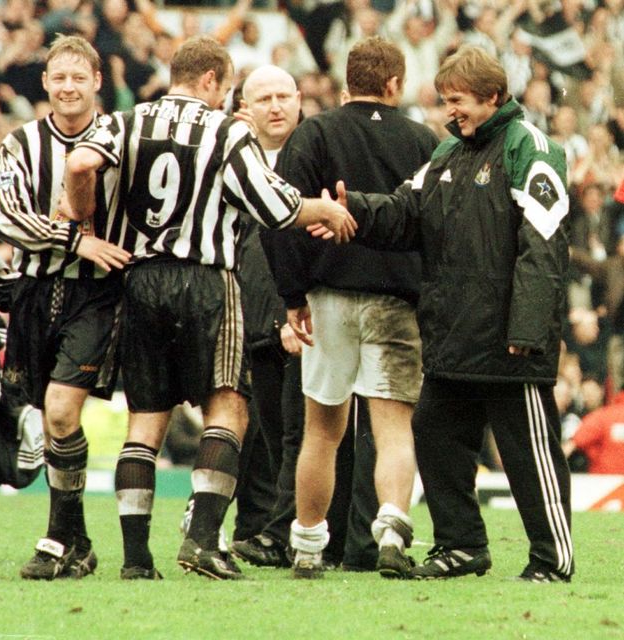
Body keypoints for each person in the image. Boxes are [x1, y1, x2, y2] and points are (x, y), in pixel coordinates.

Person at [64, 35, 356, 581]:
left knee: (145, 421)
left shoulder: (125, 122)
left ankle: (135, 557)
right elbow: (272, 207)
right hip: (206, 279)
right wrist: (325, 210)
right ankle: (202, 541)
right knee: (227, 408)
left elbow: (79, 164)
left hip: (139, 278)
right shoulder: (226, 131)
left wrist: (84, 221)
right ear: (210, 81)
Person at [333, 45, 574, 582]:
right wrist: (353, 210)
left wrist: (529, 328)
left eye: (458, 100)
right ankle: (462, 546)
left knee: (528, 452)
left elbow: (545, 246)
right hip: (454, 336)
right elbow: (403, 213)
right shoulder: (446, 155)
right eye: (444, 101)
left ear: (493, 96)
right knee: (435, 432)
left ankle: (551, 558)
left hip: (512, 338)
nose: (450, 111)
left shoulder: (531, 150)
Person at [265, 37, 438, 579]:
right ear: (394, 85)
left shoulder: (313, 133)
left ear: (347, 83)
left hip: (328, 297)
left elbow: (281, 217)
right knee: (392, 429)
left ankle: (309, 544)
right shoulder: (423, 141)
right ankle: (390, 531)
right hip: (395, 301)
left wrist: (293, 297)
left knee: (322, 431)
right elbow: (435, 229)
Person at [0, 35, 133, 581]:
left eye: (79, 77)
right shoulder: (22, 142)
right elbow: (7, 218)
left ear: (98, 82)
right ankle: (79, 542)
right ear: (46, 84)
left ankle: (54, 541)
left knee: (59, 410)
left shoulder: (121, 139)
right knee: (49, 418)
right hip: (34, 292)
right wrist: (73, 239)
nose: (68, 87)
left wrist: (75, 239)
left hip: (97, 294)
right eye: (59, 78)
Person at [229, 65, 304, 566]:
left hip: (298, 322)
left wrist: (285, 315)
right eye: (264, 98)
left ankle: (288, 533)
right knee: (254, 434)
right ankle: (256, 529)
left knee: (296, 433)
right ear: (243, 109)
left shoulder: (314, 157)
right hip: (239, 319)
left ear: (299, 101)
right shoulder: (228, 161)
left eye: (283, 96)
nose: (275, 106)